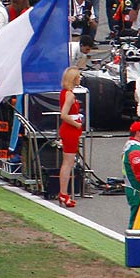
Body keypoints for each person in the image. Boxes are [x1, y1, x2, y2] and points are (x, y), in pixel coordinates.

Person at [57, 66, 84, 208]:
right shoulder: (70, 95)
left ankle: (63, 192)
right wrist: (77, 124)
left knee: (67, 162)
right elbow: (64, 115)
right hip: (70, 130)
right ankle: (63, 192)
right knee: (68, 163)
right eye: (78, 77)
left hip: (70, 130)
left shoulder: (65, 93)